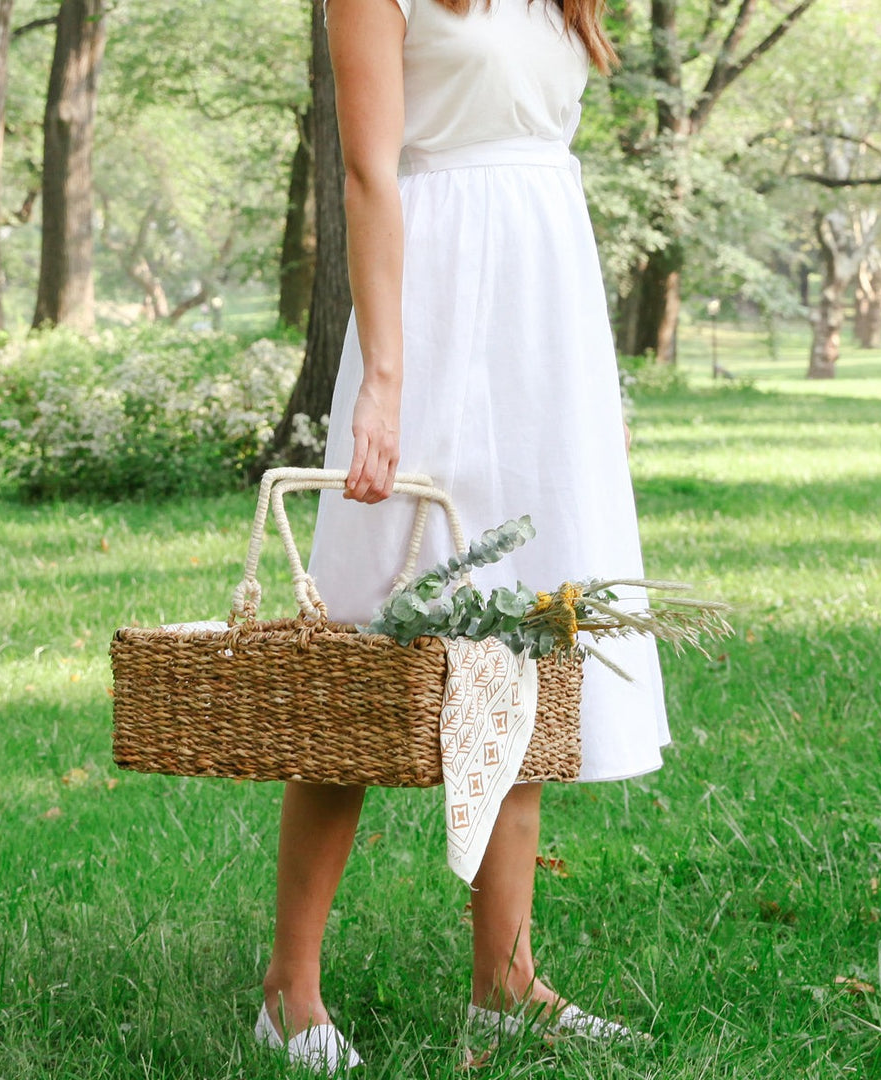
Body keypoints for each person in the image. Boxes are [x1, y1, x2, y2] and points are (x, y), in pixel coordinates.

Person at [255, 0, 668, 1069]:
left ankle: (505, 981)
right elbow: (369, 175)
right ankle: (288, 990)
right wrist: (385, 382)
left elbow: (541, 164)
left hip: (542, 316)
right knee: (365, 649)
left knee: (530, 636)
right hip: (433, 304)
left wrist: (587, 381)